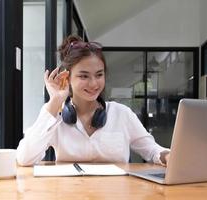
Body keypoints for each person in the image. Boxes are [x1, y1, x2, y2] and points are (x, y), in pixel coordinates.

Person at [17, 35, 170, 166]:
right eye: (84, 76)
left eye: (99, 75)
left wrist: (167, 156)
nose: (94, 84)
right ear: (67, 77)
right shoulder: (55, 116)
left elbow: (152, 150)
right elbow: (24, 158)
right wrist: (55, 101)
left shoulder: (121, 113)